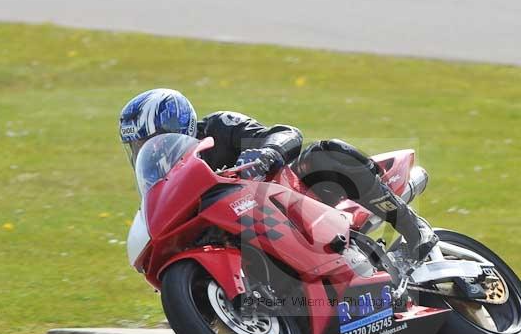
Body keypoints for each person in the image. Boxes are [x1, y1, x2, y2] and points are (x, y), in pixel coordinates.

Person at [119, 88, 437, 261]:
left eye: (151, 141)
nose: (149, 150)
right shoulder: (163, 180)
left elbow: (286, 133)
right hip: (250, 235)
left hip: (294, 203)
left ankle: (413, 226)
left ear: (180, 128)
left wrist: (264, 154)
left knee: (325, 153)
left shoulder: (220, 126)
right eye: (138, 146)